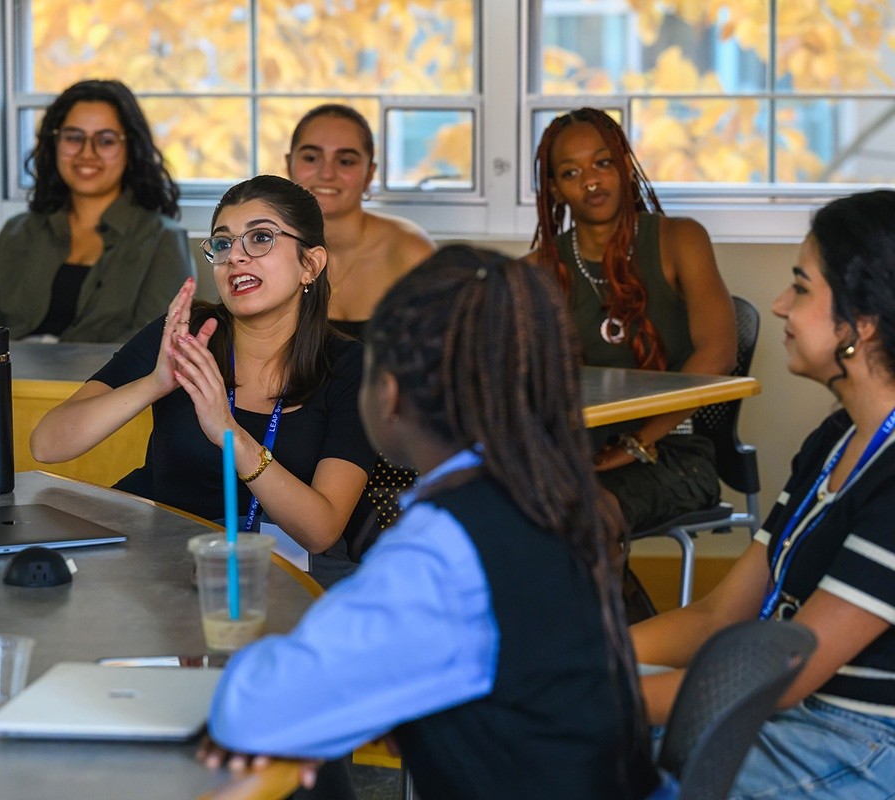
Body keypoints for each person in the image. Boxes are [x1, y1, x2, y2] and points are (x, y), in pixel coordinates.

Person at [201, 246, 668, 800]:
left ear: (390, 392)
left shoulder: (444, 546)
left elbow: (251, 710)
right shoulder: (552, 493)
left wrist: (293, 706)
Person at [633, 189, 895, 798]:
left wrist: (578, 692)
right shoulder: (836, 437)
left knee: (565, 740)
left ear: (861, 324)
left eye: (801, 288)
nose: (779, 306)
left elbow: (790, 673)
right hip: (788, 715)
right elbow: (719, 616)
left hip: (860, 746)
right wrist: (577, 655)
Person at [30, 175, 375, 585]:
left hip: (290, 567)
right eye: (224, 243)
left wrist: (229, 433)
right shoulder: (187, 333)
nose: (236, 257)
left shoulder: (349, 365)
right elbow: (48, 445)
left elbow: (321, 531)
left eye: (261, 238)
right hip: (167, 558)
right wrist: (156, 382)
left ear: (311, 264)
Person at [530, 107, 736, 536]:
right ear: (554, 189)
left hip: (674, 449)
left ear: (625, 165)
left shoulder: (680, 240)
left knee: (586, 517)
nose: (591, 180)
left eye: (603, 163)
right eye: (571, 172)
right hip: (576, 450)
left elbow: (719, 354)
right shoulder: (538, 271)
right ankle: (621, 606)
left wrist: (637, 442)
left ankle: (610, 605)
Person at [286, 103, 436, 548]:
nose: (326, 172)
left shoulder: (408, 252)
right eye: (311, 157)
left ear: (370, 173)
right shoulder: (265, 249)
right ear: (288, 165)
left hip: (387, 455)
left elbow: (441, 381)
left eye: (346, 160)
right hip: (291, 447)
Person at [0, 79, 195, 342]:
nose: (86, 153)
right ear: (55, 143)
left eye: (105, 140)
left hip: (108, 383)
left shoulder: (163, 240)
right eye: (73, 137)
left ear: (131, 149)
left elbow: (155, 347)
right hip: (8, 380)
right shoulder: (17, 232)